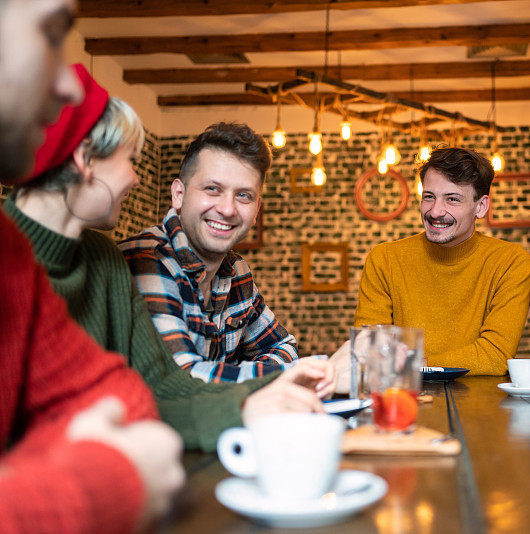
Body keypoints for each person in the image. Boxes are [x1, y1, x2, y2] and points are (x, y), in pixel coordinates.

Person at [5, 65, 335, 453]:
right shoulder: (22, 264)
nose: (137, 179)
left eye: (244, 196)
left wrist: (251, 403)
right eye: (130, 160)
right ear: (85, 159)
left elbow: (158, 387)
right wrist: (264, 393)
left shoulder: (103, 258)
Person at [0, 0, 183, 531]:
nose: (72, 89)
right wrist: (98, 476)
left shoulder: (9, 254)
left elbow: (120, 389)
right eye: (51, 34)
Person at [121, 122, 300, 383]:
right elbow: (183, 381)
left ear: (256, 209)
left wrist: (249, 375)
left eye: (243, 195)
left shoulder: (237, 271)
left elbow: (284, 347)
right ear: (179, 194)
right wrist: (290, 375)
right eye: (212, 189)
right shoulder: (148, 259)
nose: (227, 209)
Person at [352, 147, 530, 375]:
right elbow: (368, 351)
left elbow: (496, 355)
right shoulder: (384, 260)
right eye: (429, 197)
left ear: (481, 207)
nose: (436, 211)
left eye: (452, 199)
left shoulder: (510, 262)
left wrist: (417, 365)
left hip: (481, 406)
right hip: (403, 400)